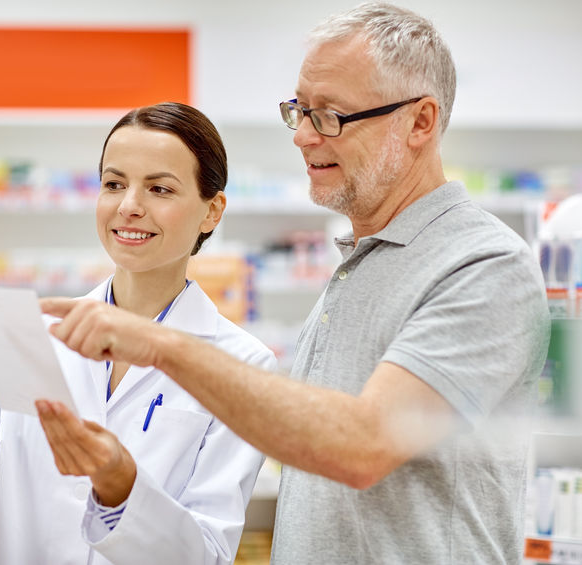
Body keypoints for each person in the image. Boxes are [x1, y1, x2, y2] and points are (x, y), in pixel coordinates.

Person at [40, 3, 551, 564]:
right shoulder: (359, 266)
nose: (303, 137)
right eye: (300, 111)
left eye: (330, 116)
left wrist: (160, 345)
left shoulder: (484, 265)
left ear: (420, 122)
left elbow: (364, 445)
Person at [0, 102, 276, 565]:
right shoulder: (30, 335)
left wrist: (121, 486)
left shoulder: (243, 365)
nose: (129, 206)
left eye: (159, 188)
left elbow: (206, 555)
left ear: (212, 211)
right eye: (114, 184)